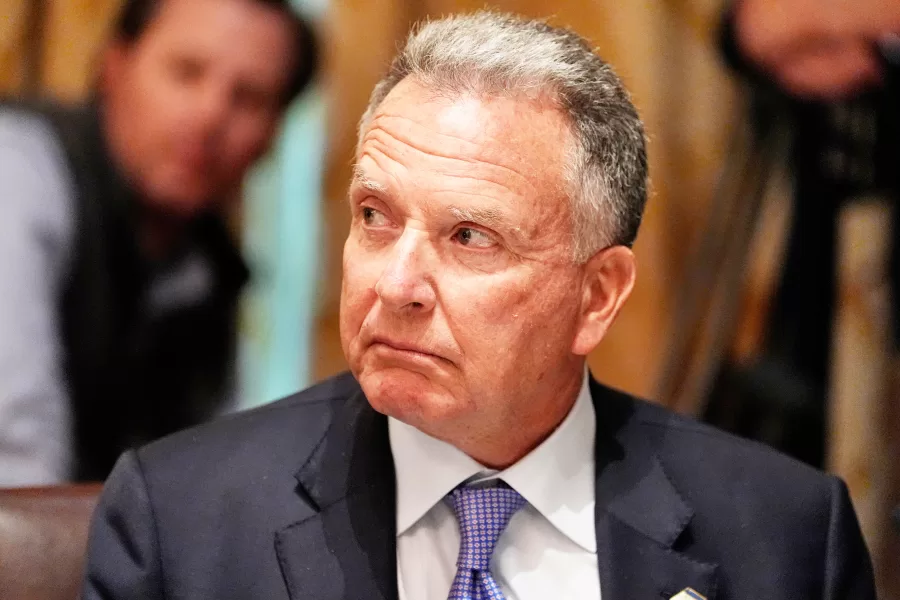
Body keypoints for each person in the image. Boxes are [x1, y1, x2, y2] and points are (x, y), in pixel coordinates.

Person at [81, 11, 875, 600]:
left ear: (598, 296)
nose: (395, 285)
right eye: (374, 217)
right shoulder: (178, 522)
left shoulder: (787, 535)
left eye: (470, 236)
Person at [0, 0, 316, 484]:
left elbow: (218, 478)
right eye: (186, 72)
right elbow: (17, 457)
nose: (211, 115)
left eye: (250, 97)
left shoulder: (209, 264)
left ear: (273, 134)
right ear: (113, 65)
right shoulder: (18, 169)